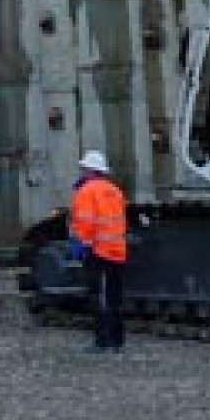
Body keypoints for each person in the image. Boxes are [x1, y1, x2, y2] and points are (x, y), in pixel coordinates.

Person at [68, 149, 129, 351]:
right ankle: (117, 340)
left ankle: (101, 341)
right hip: (117, 250)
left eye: (84, 168)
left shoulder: (86, 191)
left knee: (98, 296)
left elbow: (85, 222)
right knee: (115, 297)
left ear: (90, 170)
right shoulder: (115, 190)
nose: (82, 171)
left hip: (97, 251)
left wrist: (81, 246)